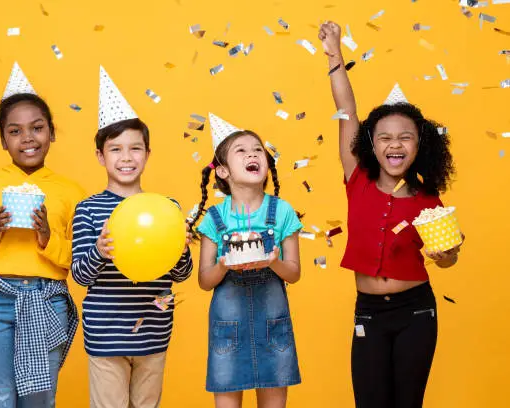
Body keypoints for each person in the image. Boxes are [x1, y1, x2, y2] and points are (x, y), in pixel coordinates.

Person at [319, 22, 464, 408]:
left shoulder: (428, 200)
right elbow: (345, 110)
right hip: (367, 311)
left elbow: (449, 259)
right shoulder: (357, 179)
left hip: (416, 310)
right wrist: (334, 53)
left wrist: (446, 255)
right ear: (372, 144)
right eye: (385, 137)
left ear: (420, 146)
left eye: (405, 137)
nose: (394, 143)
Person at [0, 63, 85, 408]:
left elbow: (82, 261)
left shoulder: (71, 192)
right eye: (15, 131)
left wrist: (47, 238)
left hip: (46, 299)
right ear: (3, 140)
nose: (27, 138)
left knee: (39, 399)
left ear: (52, 133)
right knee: (0, 395)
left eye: (37, 128)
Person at [71, 66, 193, 408]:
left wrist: (181, 249)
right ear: (100, 156)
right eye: (115, 149)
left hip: (153, 333)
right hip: (105, 336)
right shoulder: (89, 209)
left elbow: (182, 273)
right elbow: (80, 276)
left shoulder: (167, 208)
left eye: (135, 148)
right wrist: (98, 250)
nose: (126, 158)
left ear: (148, 154)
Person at [189, 113, 302, 408]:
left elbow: (293, 273)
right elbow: (204, 280)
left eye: (257, 149)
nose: (252, 153)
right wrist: (224, 264)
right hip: (229, 327)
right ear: (223, 172)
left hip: (272, 325)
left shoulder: (283, 211)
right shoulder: (214, 218)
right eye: (241, 150)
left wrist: (273, 262)